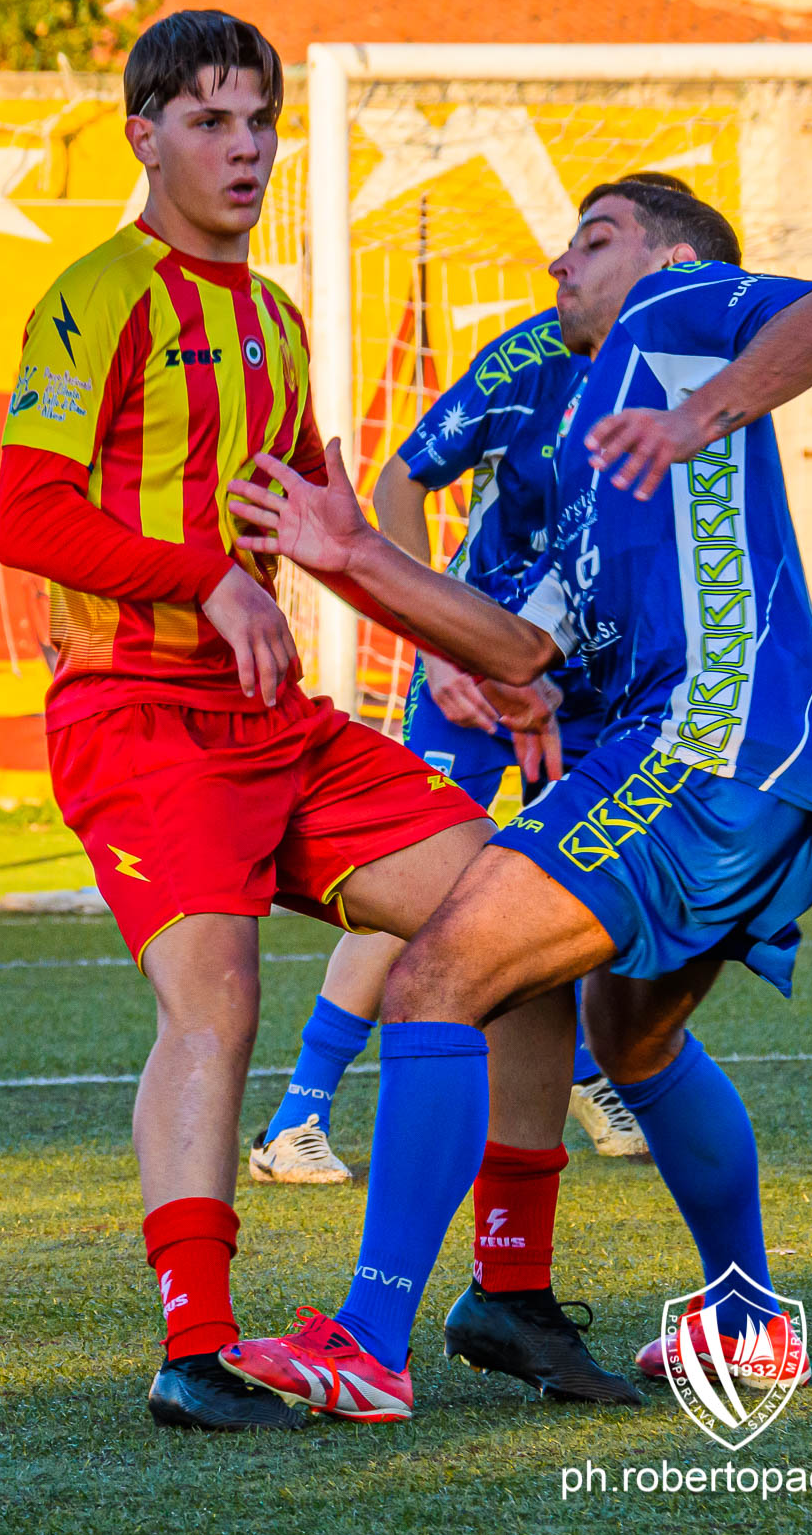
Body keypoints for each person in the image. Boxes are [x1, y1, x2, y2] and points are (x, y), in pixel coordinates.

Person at [0, 9, 579, 1433]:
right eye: (210, 121)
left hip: (278, 725)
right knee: (219, 997)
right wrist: (203, 578)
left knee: (525, 926)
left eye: (259, 120)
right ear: (144, 136)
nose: (244, 147)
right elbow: (25, 513)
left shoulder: (273, 317)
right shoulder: (93, 296)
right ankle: (194, 1349)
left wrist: (469, 664)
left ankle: (507, 1290)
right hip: (140, 715)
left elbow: (328, 533)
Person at [217, 180, 812, 1421]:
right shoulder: (584, 453)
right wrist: (354, 556)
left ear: (667, 259)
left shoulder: (673, 312)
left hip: (700, 748)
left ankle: (368, 1340)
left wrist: (696, 414)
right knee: (633, 1043)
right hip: (739, 765)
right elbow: (518, 646)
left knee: (437, 975)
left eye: (594, 238)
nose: (558, 263)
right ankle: (745, 1318)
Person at [249, 271, 673, 1185]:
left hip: (597, 676)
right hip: (472, 668)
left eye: (595, 242)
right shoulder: (530, 354)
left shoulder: (690, 376)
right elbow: (401, 478)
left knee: (578, 889)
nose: (567, 265)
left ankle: (583, 1072)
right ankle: (297, 1117)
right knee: (425, 882)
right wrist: (436, 643)